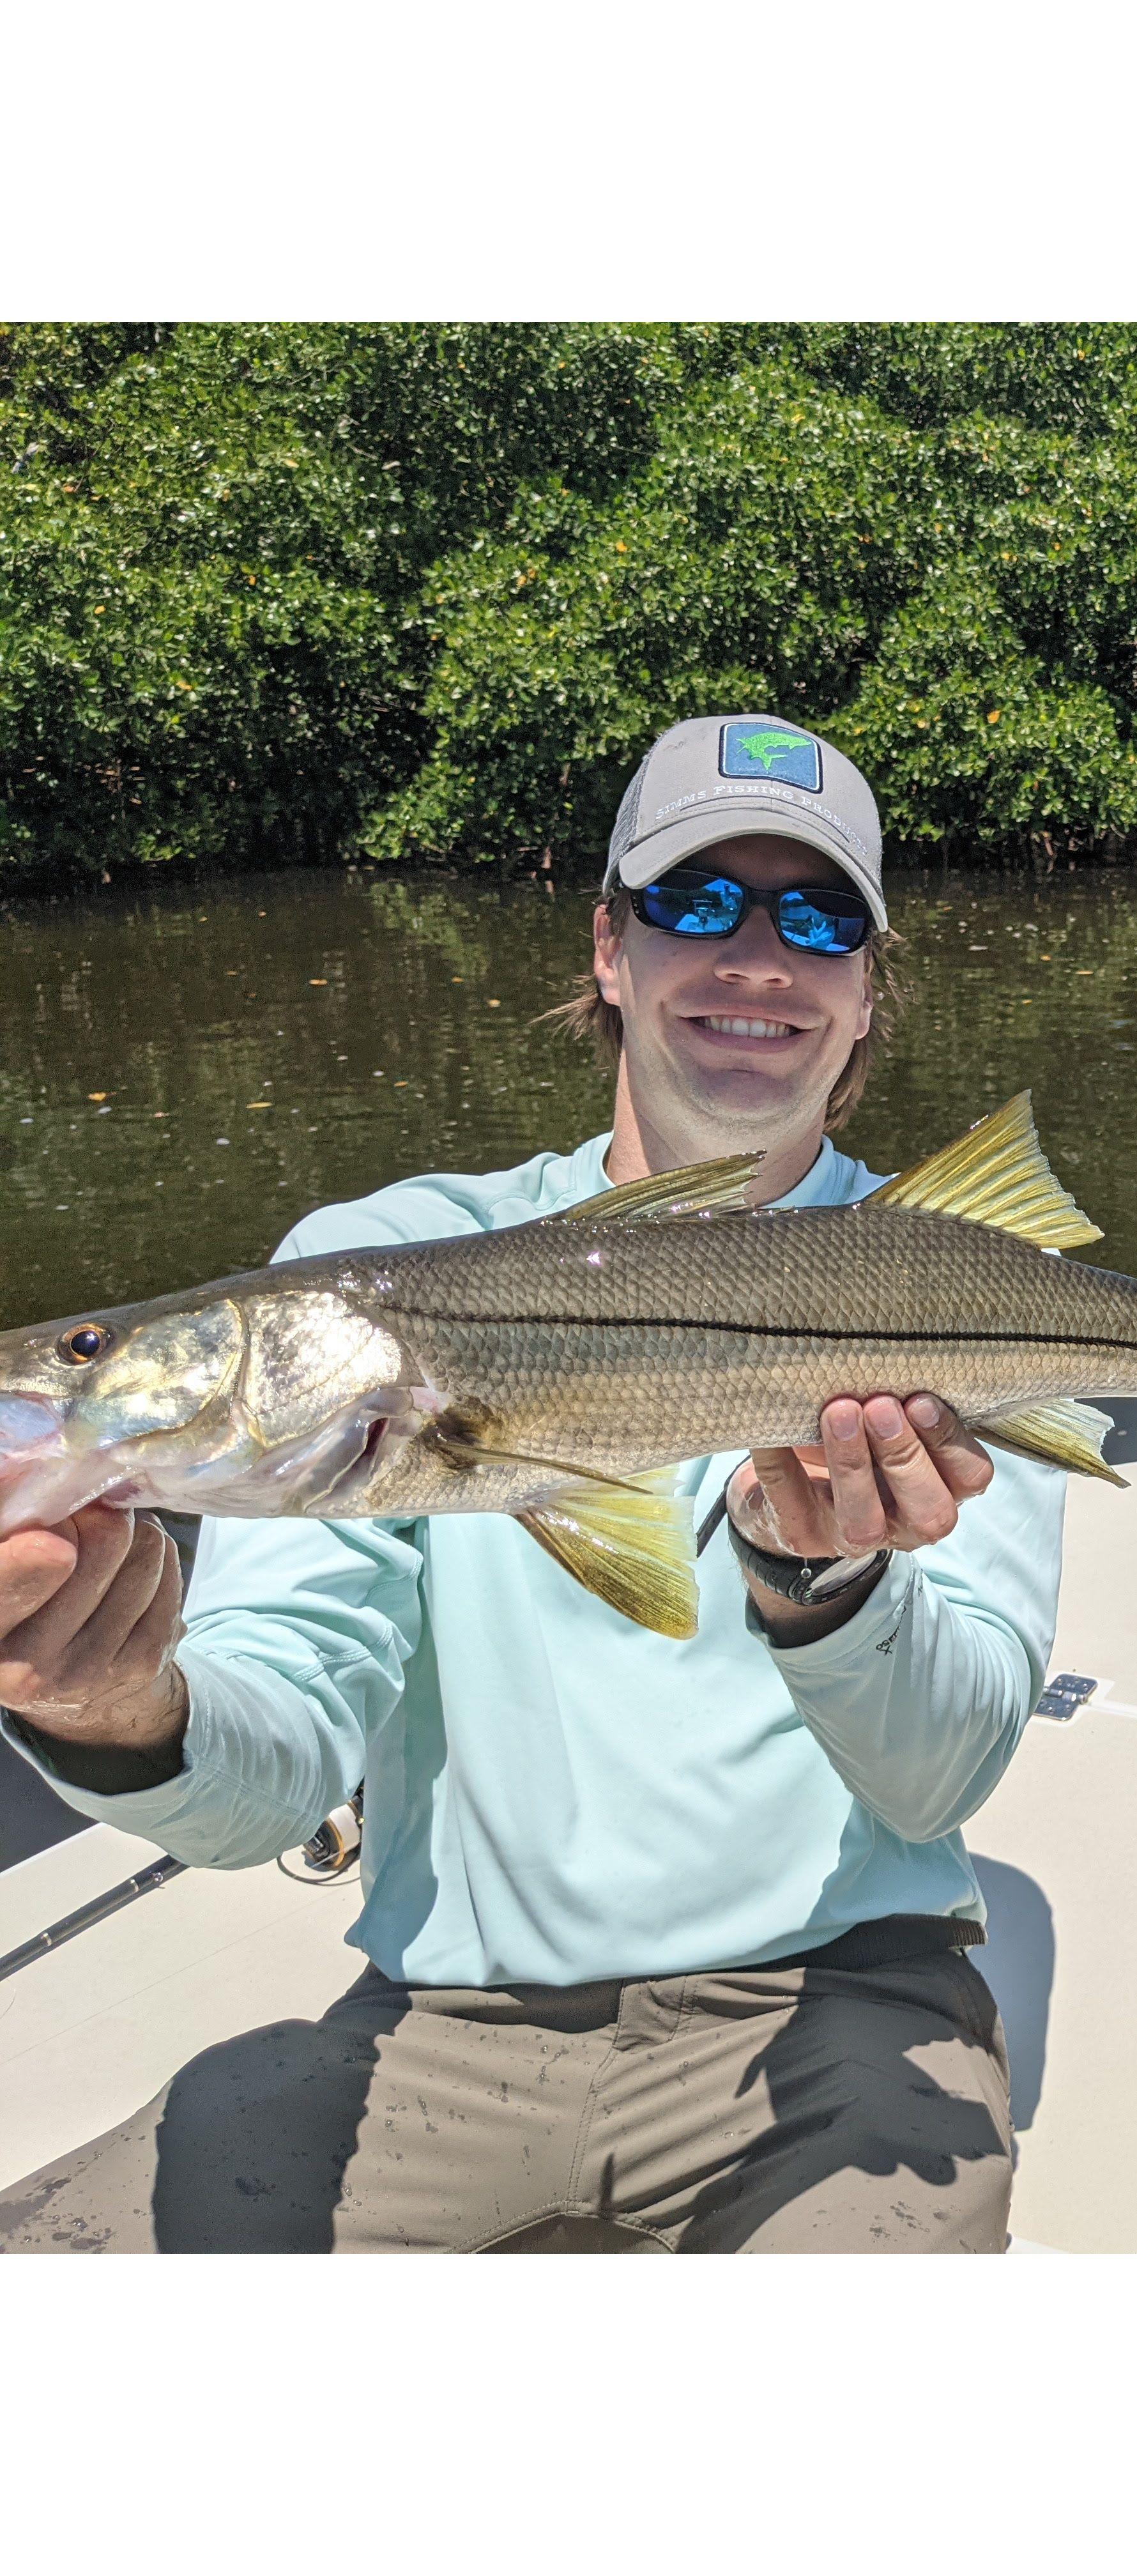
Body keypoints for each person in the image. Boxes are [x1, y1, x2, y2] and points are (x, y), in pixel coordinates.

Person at [0, 714, 1054, 2253]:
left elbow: (940, 1783)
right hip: (440, 2030)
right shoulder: (374, 1254)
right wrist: (116, 1707)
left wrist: (823, 1587)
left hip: (841, 2013)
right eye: (697, 900)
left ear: (866, 990)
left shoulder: (967, 1286)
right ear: (611, 949)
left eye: (820, 917)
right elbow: (269, 1770)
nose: (758, 956)